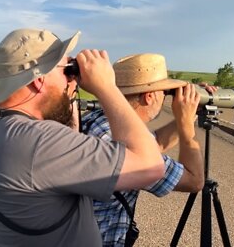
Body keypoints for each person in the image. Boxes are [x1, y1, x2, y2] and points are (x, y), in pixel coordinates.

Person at [0, 28, 165, 247]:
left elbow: (64, 145)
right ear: (38, 80)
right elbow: (151, 166)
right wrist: (106, 86)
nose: (72, 80)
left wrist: (68, 98)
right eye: (67, 70)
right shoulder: (37, 141)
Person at [82, 53, 206, 246]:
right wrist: (185, 124)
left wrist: (190, 114)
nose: (165, 99)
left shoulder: (100, 120)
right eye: (164, 93)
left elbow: (152, 145)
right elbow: (194, 180)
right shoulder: (116, 141)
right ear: (149, 97)